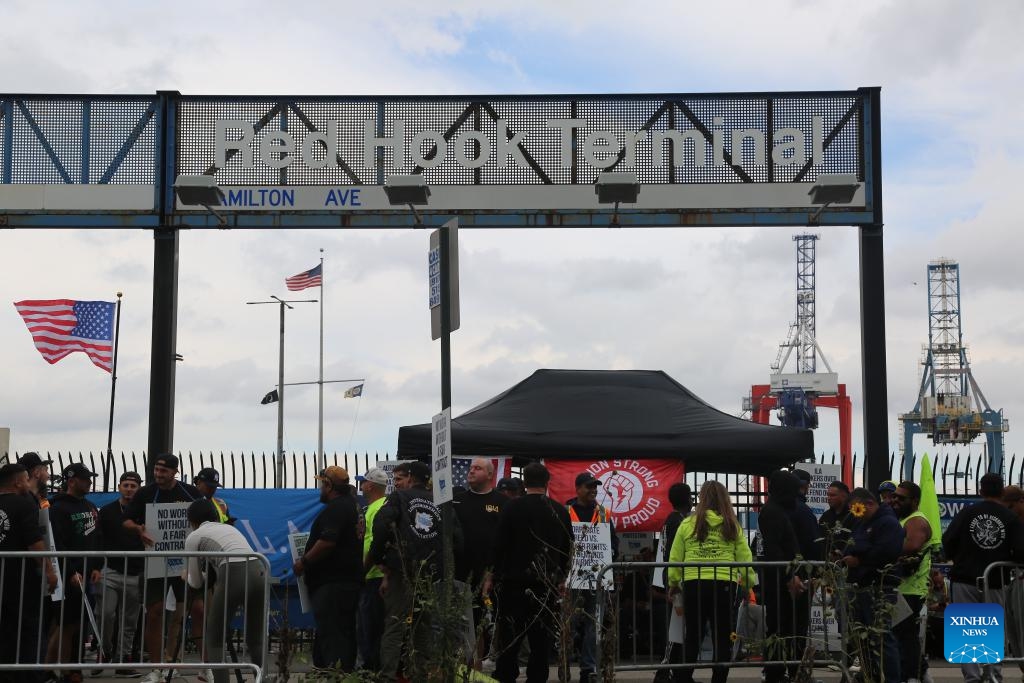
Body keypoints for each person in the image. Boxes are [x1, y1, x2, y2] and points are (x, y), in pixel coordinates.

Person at [122, 453, 201, 682]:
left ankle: (204, 666)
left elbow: (206, 519)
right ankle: (156, 667)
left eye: (163, 471)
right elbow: (126, 520)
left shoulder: (190, 492)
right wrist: (139, 529)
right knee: (154, 612)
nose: (158, 474)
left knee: (196, 610)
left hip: (185, 561)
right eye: (156, 470)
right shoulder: (145, 493)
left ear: (175, 471)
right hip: (156, 561)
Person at [492, 462, 573, 683]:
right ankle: (537, 677)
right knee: (540, 640)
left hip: (513, 583)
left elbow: (499, 544)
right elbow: (567, 549)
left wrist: (494, 573)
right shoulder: (559, 512)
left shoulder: (511, 508)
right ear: (548, 483)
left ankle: (506, 675)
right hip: (547, 584)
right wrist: (562, 578)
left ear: (524, 483)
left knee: (510, 636)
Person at [667, 480, 755, 683]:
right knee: (722, 635)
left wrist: (673, 582)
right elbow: (744, 557)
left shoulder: (688, 523)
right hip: (724, 582)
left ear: (701, 499)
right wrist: (749, 583)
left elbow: (675, 557)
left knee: (693, 634)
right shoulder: (731, 524)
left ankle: (683, 677)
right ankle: (719, 679)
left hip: (693, 581)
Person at [368, 461, 448, 683]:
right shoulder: (440, 501)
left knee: (395, 625)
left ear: (411, 477)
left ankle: (387, 677)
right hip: (431, 572)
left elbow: (381, 525)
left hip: (403, 570)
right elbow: (456, 538)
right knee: (423, 626)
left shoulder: (399, 498)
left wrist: (378, 558)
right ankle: (419, 675)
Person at [943, 473, 1024, 683]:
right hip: (996, 580)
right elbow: (1021, 551)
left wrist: (959, 556)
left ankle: (972, 677)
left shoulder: (967, 512)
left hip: (965, 578)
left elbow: (948, 540)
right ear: (1001, 492)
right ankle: (993, 675)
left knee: (965, 629)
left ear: (981, 491)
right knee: (993, 628)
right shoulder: (1010, 517)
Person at [183, 499, 265, 683]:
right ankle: (262, 679)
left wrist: (186, 576)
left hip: (233, 573)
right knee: (255, 637)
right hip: (259, 568)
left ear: (192, 520)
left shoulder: (194, 537)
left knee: (214, 636)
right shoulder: (230, 529)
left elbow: (195, 583)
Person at [293, 466, 363, 672]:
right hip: (345, 581)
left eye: (322, 484)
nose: (320, 489)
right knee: (342, 633)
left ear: (329, 485)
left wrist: (303, 562)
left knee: (334, 636)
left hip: (333, 583)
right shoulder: (353, 505)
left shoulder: (337, 508)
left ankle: (336, 675)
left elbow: (327, 542)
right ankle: (334, 672)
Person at [0, 463, 57, 683]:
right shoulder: (24, 504)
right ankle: (31, 675)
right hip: (21, 581)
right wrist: (50, 570)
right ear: (16, 482)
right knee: (30, 631)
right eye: (25, 479)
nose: (27, 483)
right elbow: (35, 542)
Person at [840, 487, 904, 683]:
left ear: (869, 504)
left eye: (857, 508)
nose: (855, 513)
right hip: (863, 584)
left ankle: (891, 678)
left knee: (882, 637)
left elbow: (887, 551)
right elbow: (850, 545)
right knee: (864, 637)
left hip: (879, 585)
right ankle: (870, 675)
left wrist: (860, 558)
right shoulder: (863, 522)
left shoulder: (887, 523)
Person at [46, 463, 102, 682]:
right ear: (71, 481)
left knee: (78, 624)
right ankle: (55, 669)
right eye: (85, 478)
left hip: (87, 573)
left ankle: (68, 668)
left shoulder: (90, 506)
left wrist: (97, 565)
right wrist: (69, 572)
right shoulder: (57, 508)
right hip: (68, 575)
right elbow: (57, 543)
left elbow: (97, 537)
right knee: (66, 624)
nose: (89, 482)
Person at [566, 472, 618, 683]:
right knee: (570, 623)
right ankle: (565, 662)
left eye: (595, 487)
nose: (593, 490)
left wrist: (610, 552)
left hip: (597, 577)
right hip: (572, 579)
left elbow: (613, 542)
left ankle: (588, 668)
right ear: (577, 489)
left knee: (593, 624)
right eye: (589, 487)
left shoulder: (604, 512)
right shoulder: (565, 511)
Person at [454, 458, 507, 664]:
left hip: (487, 576)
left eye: (478, 468)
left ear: (490, 475)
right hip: (459, 573)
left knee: (480, 624)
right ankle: (459, 667)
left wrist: (492, 572)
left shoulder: (502, 503)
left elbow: (505, 541)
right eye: (471, 468)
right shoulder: (457, 500)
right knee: (458, 623)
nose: (471, 471)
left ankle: (476, 667)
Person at [757, 471, 807, 683]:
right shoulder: (773, 512)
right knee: (778, 627)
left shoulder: (776, 510)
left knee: (783, 627)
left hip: (781, 580)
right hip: (779, 583)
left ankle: (777, 671)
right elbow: (774, 549)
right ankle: (775, 673)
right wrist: (790, 577)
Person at [95, 471, 145, 675]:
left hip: (136, 571)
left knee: (130, 620)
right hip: (110, 569)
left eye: (133, 486)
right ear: (119, 487)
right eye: (126, 485)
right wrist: (97, 567)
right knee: (105, 614)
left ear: (139, 488)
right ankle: (104, 650)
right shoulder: (107, 511)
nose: (129, 489)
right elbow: (98, 538)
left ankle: (123, 658)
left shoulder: (144, 511)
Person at [892, 481, 932, 683]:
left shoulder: (916, 520)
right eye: (895, 496)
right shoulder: (904, 518)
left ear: (914, 501)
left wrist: (883, 545)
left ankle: (912, 676)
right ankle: (919, 673)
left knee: (905, 635)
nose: (895, 500)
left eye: (901, 498)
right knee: (901, 635)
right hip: (901, 587)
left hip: (910, 589)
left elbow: (911, 546)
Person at [658, 482, 692, 680]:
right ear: (687, 499)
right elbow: (674, 553)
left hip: (674, 578)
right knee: (676, 629)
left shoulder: (673, 519)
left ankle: (676, 671)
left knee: (680, 628)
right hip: (676, 581)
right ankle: (667, 671)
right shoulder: (677, 521)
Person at [357, 467, 388, 672]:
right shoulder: (375, 507)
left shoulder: (378, 508)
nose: (360, 486)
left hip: (375, 574)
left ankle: (372, 668)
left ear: (370, 485)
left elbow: (377, 542)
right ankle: (372, 666)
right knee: (369, 625)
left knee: (371, 626)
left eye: (363, 482)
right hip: (374, 573)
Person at [817, 480, 853, 558]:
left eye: (833, 495)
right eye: (828, 495)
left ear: (844, 497)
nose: (829, 498)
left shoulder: (852, 516)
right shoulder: (825, 516)